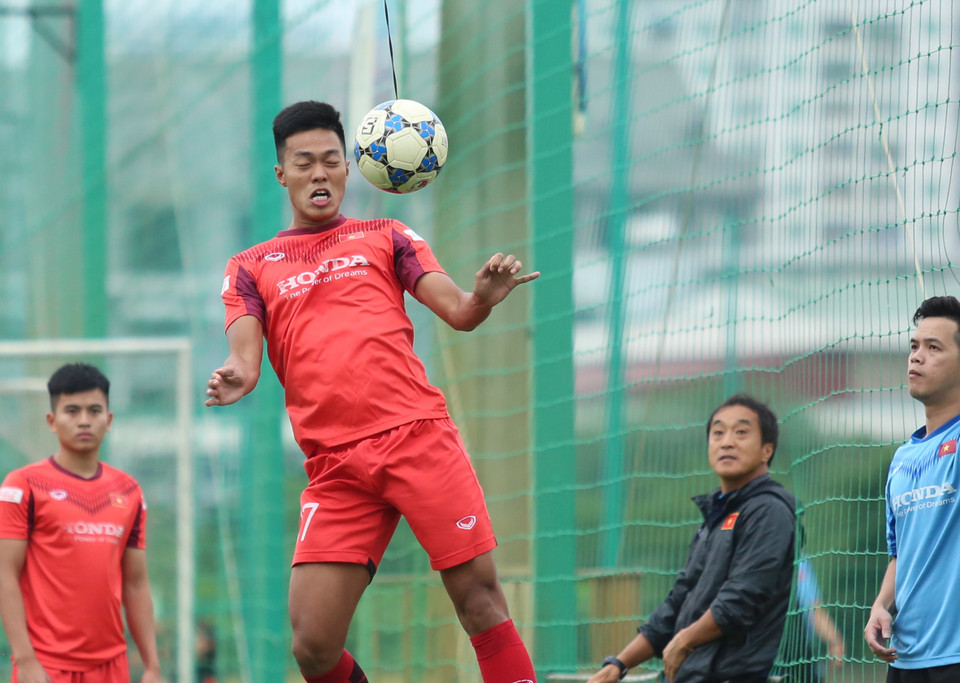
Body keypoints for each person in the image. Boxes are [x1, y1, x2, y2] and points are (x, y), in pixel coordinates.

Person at [205, 100, 539, 683]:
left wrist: (484, 294)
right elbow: (245, 357)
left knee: (480, 602)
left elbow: (459, 310)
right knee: (312, 646)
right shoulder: (250, 266)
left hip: (418, 439)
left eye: (331, 161)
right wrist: (237, 375)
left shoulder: (386, 235)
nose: (319, 173)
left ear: (350, 166)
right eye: (303, 163)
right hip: (334, 467)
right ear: (281, 174)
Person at [587, 394, 796, 683]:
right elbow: (677, 602)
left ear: (766, 450)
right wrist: (619, 664)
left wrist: (684, 641)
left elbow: (741, 599)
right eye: (718, 432)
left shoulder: (768, 511)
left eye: (741, 432)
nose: (727, 442)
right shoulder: (717, 515)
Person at [0, 363, 162, 683]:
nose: (84, 420)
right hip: (46, 665)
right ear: (52, 421)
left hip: (112, 665)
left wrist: (152, 666)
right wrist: (26, 659)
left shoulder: (129, 491)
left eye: (94, 410)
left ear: (109, 419)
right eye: (71, 411)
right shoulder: (22, 486)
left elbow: (136, 583)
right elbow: (5, 573)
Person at [864, 295, 960, 681]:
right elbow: (900, 554)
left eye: (933, 347)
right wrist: (881, 606)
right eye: (914, 346)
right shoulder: (903, 458)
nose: (916, 357)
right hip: (904, 659)